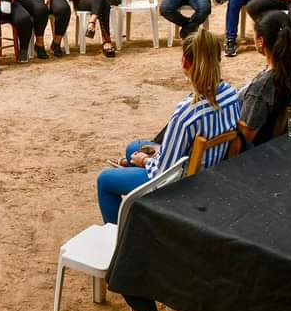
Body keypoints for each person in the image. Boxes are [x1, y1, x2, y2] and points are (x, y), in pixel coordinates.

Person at [96, 28, 239, 223]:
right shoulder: (231, 94)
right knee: (133, 148)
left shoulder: (187, 113)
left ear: (185, 63)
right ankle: (131, 169)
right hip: (209, 167)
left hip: (182, 181)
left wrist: (144, 161)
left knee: (105, 181)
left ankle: (118, 241)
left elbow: (162, 172)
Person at [237, 12, 291, 146]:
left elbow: (244, 139)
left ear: (261, 41)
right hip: (284, 139)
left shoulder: (263, 87)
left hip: (260, 149)